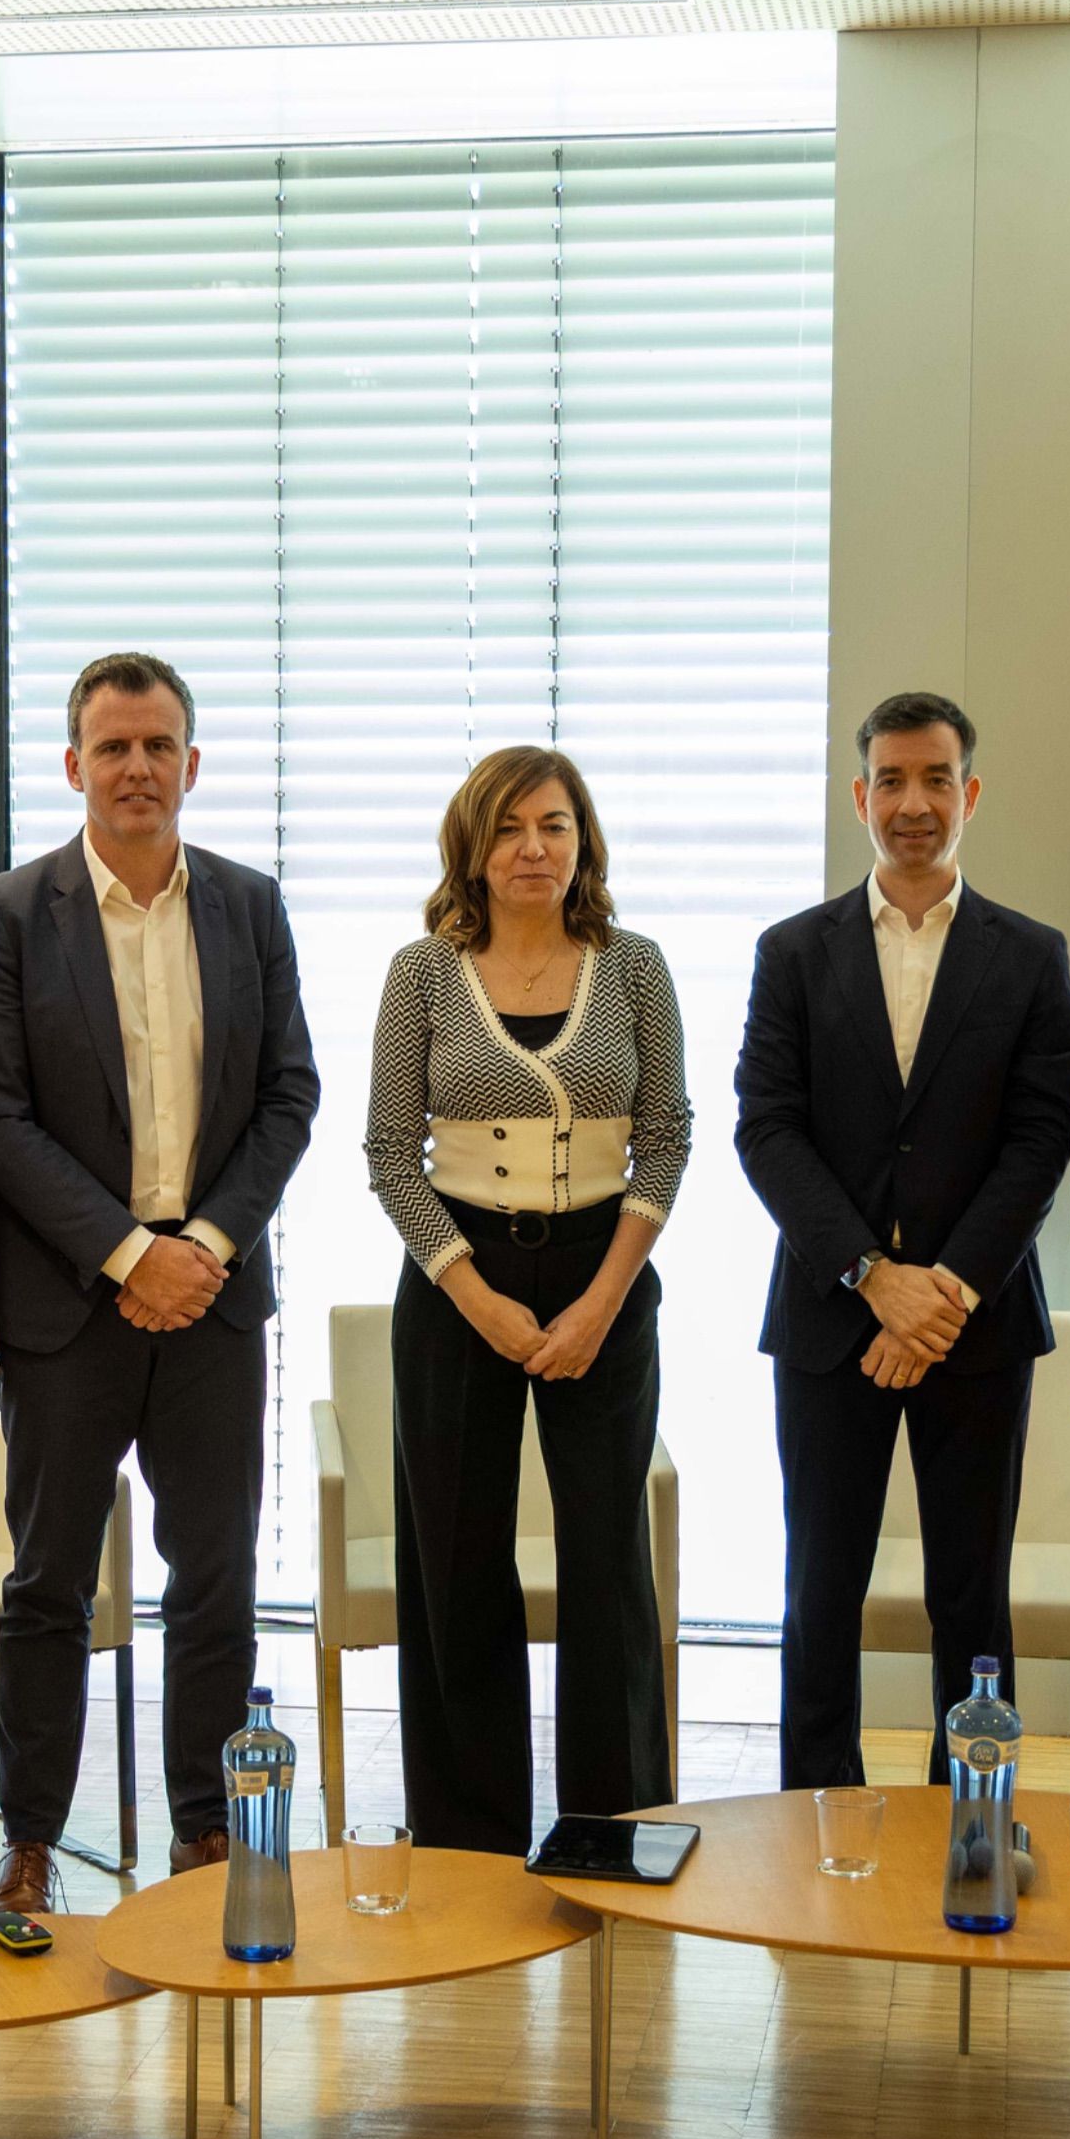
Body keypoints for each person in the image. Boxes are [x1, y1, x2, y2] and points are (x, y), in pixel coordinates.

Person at [0, 652, 319, 1911]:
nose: (138, 769)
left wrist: (202, 1249)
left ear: (193, 766)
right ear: (73, 768)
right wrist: (127, 1254)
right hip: (69, 1301)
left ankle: (205, 1829)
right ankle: (35, 1842)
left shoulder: (250, 906)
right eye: (112, 748)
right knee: (49, 1580)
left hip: (213, 1297)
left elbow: (290, 1096)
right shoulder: (5, 916)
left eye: (159, 746)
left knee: (212, 1574)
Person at [732, 689, 1070, 1789]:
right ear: (859, 797)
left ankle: (973, 1810)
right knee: (819, 1583)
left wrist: (943, 1297)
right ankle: (814, 1809)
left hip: (974, 1328)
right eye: (892, 779)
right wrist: (874, 1278)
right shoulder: (792, 951)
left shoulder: (1030, 956)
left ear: (969, 793)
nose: (914, 802)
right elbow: (767, 1127)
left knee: (970, 1589)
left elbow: (1039, 1143)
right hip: (832, 1317)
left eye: (936, 779)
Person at [364, 744, 689, 1855]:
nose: (532, 848)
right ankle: (467, 1836)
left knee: (608, 1564)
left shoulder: (635, 966)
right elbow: (389, 1156)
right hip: (457, 1281)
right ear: (473, 845)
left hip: (606, 1277)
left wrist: (602, 1302)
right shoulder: (421, 973)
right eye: (508, 828)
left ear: (583, 840)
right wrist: (481, 1300)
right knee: (453, 1556)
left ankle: (617, 1822)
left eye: (553, 825)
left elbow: (668, 1141)